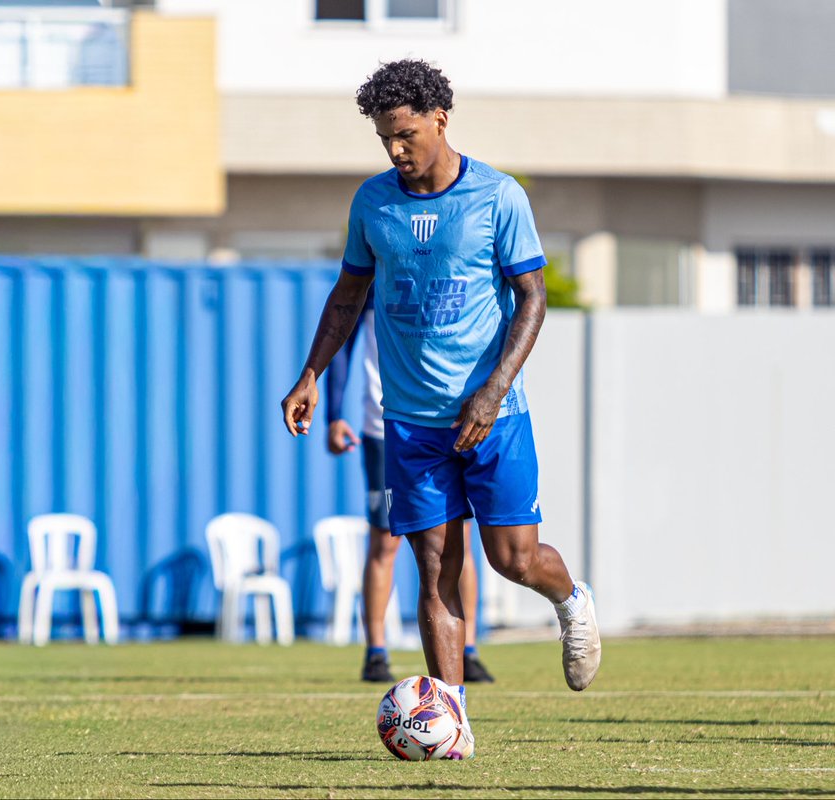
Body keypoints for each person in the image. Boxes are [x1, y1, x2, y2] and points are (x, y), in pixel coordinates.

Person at [281, 59, 600, 756]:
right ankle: (450, 721)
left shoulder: (496, 196)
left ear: (439, 120)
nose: (395, 150)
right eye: (383, 138)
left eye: (404, 134)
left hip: (495, 416)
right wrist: (310, 374)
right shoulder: (373, 203)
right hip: (410, 422)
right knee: (434, 563)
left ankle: (572, 601)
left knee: (511, 559)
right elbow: (347, 296)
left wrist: (493, 388)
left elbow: (533, 297)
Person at [325, 285, 496, 684]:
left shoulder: (450, 271)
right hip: (385, 428)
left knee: (461, 540)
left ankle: (467, 650)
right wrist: (334, 414)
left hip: (449, 424)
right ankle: (375, 653)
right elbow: (341, 344)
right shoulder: (372, 279)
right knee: (385, 541)